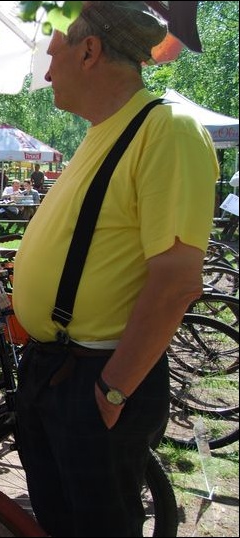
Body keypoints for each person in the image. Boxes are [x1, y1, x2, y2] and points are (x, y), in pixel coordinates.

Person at [11, 3, 219, 536]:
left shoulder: (167, 129)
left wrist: (112, 390)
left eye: (53, 54)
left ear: (89, 51)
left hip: (95, 378)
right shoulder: (104, 130)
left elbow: (177, 281)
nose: (47, 72)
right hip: (56, 370)